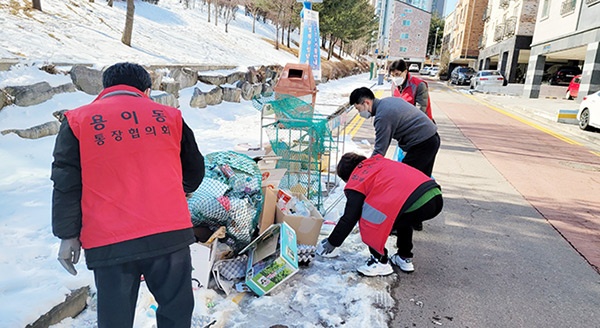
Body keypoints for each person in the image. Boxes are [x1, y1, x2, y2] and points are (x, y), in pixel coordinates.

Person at [51, 62, 205, 328]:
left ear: (105, 87)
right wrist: (176, 189)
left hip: (109, 240)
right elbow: (194, 172)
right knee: (176, 313)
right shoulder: (169, 116)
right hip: (168, 236)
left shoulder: (78, 120)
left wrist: (67, 235)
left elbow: (66, 184)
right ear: (146, 89)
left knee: (114, 319)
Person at [316, 153, 443, 276]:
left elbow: (350, 217)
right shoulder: (377, 164)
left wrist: (332, 242)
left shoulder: (358, 179)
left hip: (416, 199)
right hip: (433, 194)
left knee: (371, 215)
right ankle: (404, 257)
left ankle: (380, 261)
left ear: (347, 176)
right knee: (402, 216)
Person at [349, 87, 439, 178]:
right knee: (422, 178)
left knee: (406, 178)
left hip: (423, 144)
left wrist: (367, 171)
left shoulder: (382, 116)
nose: (359, 113)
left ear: (366, 103)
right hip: (431, 137)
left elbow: (379, 151)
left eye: (358, 109)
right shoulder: (387, 101)